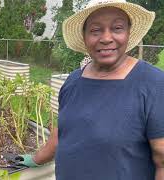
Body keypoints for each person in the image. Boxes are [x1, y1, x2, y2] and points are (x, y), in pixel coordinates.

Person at [19, 0, 164, 179]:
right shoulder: (73, 81)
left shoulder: (153, 84)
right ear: (84, 36)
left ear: (128, 32)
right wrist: (36, 159)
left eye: (117, 28)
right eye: (95, 30)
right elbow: (63, 132)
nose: (106, 38)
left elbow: (162, 161)